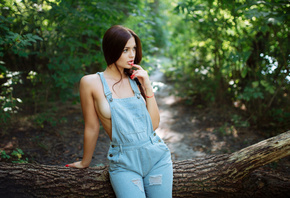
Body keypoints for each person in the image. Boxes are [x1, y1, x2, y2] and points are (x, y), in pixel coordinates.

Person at [66, 25, 173, 198]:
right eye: (125, 50)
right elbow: (92, 127)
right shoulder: (90, 82)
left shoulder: (136, 79)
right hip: (123, 163)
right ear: (112, 49)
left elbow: (153, 125)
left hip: (156, 158)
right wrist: (85, 162)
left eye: (134, 49)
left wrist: (147, 85)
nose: (132, 55)